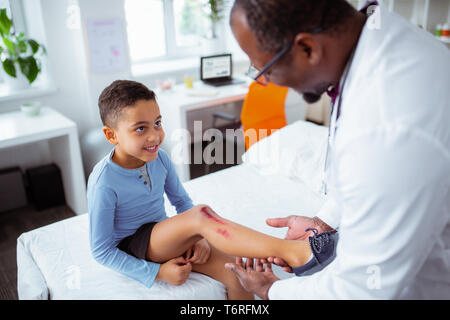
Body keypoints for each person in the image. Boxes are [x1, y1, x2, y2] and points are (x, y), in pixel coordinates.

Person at [225, 0, 450, 299]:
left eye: (266, 69)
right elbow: (376, 179)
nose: (266, 81)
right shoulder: (380, 35)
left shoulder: (387, 123)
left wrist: (273, 291)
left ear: (307, 49)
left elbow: (362, 289)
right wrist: (324, 221)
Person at [87, 80, 335, 300]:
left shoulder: (160, 159)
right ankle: (297, 253)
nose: (154, 136)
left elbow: (181, 203)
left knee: (239, 272)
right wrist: (157, 272)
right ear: (111, 135)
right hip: (134, 246)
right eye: (141, 128)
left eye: (158, 123)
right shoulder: (104, 182)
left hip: (163, 237)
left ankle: (291, 257)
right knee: (201, 213)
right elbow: (102, 250)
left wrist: (200, 237)